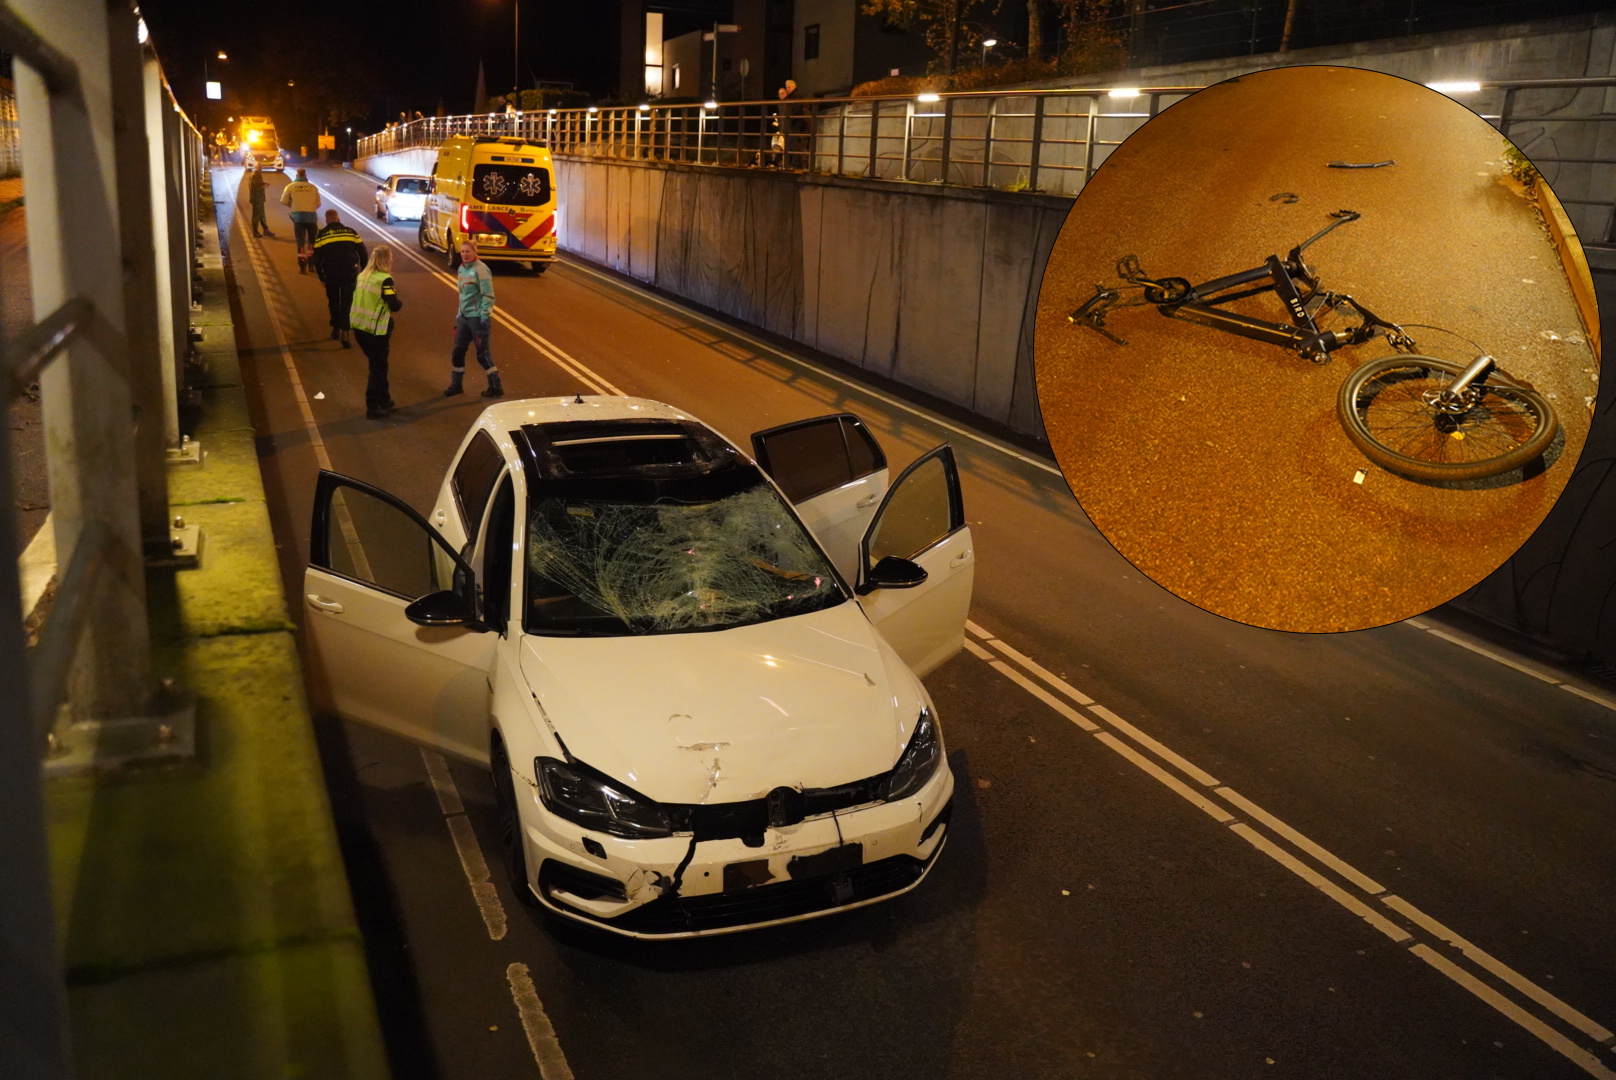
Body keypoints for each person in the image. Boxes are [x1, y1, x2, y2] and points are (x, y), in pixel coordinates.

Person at [444, 238, 502, 398]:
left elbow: (488, 295)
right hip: (464, 318)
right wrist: (459, 313)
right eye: (462, 251)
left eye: (467, 251)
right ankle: (456, 384)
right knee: (457, 351)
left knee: (482, 354)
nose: (464, 254)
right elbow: (463, 295)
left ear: (475, 252)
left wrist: (484, 315)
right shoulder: (462, 269)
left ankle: (496, 386)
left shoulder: (481, 270)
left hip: (477, 318)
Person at [350, 246, 403, 419]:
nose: (392, 260)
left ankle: (384, 399)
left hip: (359, 327)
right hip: (375, 330)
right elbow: (393, 304)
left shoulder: (362, 276)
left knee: (379, 364)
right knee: (378, 367)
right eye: (391, 258)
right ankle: (372, 406)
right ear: (386, 260)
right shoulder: (385, 280)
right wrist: (399, 302)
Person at [313, 209, 366, 347]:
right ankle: (345, 332)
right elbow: (363, 252)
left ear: (326, 220)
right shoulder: (351, 232)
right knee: (347, 303)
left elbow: (316, 259)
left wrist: (321, 277)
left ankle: (336, 328)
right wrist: (364, 271)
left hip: (331, 273)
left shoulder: (322, 235)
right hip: (349, 272)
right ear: (338, 219)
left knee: (334, 301)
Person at [279, 167, 323, 272]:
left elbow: (283, 201)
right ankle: (311, 264)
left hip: (298, 218)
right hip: (311, 218)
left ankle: (302, 265)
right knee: (312, 242)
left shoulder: (290, 187)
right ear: (305, 176)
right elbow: (318, 204)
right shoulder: (313, 187)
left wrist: (294, 207)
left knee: (300, 242)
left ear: (296, 176)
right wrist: (310, 208)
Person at [247, 163, 272, 237]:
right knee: (256, 215)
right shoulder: (255, 175)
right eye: (259, 167)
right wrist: (263, 186)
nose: (260, 168)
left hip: (258, 198)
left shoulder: (256, 174)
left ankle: (265, 229)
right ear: (255, 167)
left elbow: (257, 184)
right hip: (256, 198)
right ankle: (255, 231)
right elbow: (254, 186)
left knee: (261, 214)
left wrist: (263, 184)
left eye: (261, 167)